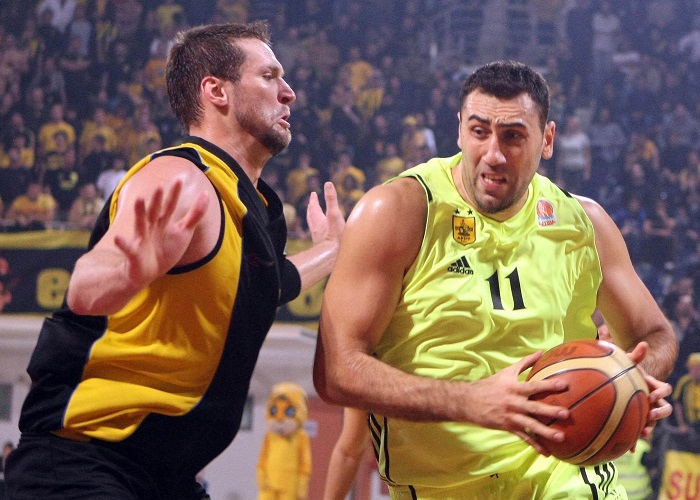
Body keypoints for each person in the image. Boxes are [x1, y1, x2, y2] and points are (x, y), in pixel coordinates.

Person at [5, 21, 344, 500]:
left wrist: (331, 249)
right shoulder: (181, 178)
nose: (288, 92)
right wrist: (123, 272)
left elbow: (272, 285)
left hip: (165, 478)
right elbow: (87, 287)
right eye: (269, 76)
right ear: (216, 91)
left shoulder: (244, 205)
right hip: (84, 465)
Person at [314, 60, 677, 499]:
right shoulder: (398, 211)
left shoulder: (585, 223)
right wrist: (472, 402)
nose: (493, 154)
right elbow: (336, 371)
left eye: (513, 136)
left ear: (547, 140)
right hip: (441, 487)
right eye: (479, 131)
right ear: (459, 131)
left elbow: (657, 334)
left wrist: (627, 382)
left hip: (565, 480)